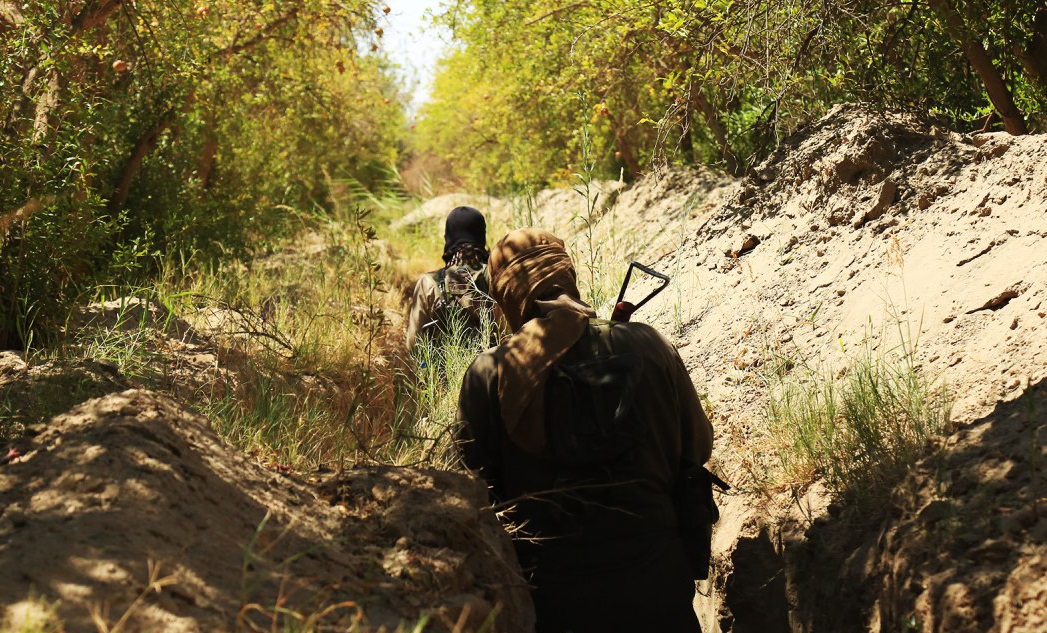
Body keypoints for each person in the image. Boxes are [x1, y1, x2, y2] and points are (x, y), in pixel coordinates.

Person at [455, 228, 715, 633]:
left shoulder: (489, 375)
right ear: (568, 277)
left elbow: (475, 495)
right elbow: (697, 446)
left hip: (551, 599)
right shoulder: (647, 344)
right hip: (658, 584)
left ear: (504, 296)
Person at [406, 206, 495, 354]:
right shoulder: (496, 276)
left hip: (445, 374)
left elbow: (414, 344)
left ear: (448, 237)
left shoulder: (429, 282)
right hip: (491, 373)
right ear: (481, 236)